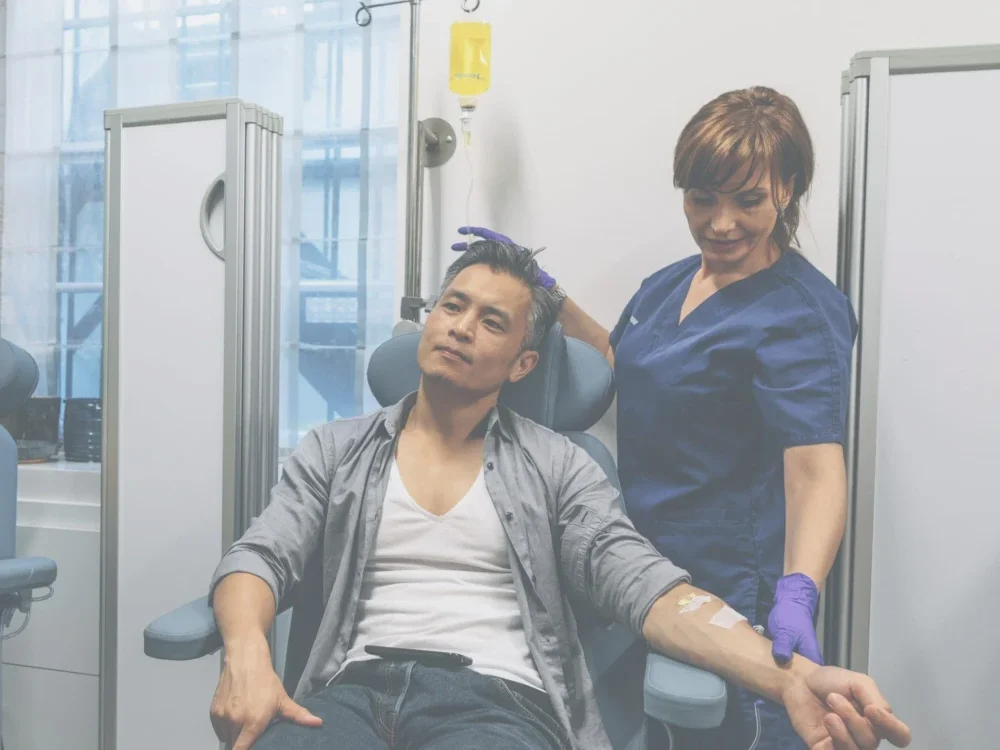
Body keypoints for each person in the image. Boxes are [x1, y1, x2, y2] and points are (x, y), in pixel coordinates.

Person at [206, 241, 908, 750]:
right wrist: (247, 653)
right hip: (349, 695)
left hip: (495, 707)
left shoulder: (558, 468)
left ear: (524, 364)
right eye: (453, 306)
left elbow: (651, 590)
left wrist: (791, 678)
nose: (460, 325)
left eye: (491, 320)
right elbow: (260, 557)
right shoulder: (336, 450)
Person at [451, 86, 858, 749]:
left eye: (748, 200)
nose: (721, 223)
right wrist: (543, 291)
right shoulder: (672, 282)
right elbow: (626, 358)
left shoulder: (801, 313)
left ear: (788, 189)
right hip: (642, 568)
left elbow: (815, 470)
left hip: (735, 584)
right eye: (703, 199)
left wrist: (798, 590)